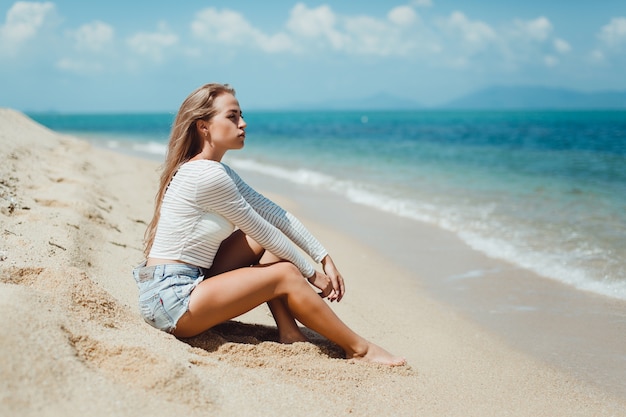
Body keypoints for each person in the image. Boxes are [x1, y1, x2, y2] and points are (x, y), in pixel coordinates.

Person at [133, 83, 405, 366]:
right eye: (233, 116)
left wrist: (325, 257)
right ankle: (360, 349)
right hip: (172, 301)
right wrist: (312, 274)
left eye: (241, 115)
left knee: (271, 248)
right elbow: (259, 227)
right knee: (285, 273)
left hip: (181, 285)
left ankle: (289, 332)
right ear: (203, 126)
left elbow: (275, 215)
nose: (243, 123)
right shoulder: (207, 177)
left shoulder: (217, 170)